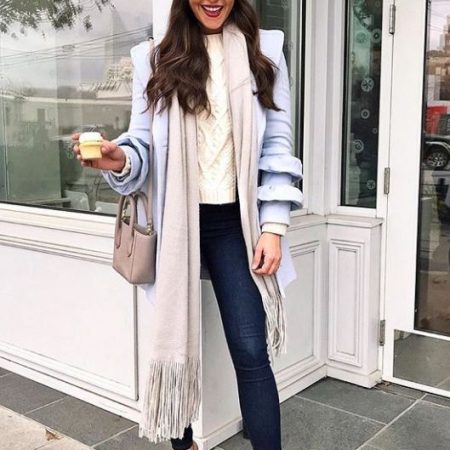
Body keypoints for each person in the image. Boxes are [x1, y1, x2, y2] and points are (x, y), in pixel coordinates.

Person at [72, 1, 303, 449]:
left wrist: (273, 225)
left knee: (251, 350)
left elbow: (277, 142)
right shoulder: (154, 59)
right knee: (173, 346)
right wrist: (118, 159)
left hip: (235, 224)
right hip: (178, 222)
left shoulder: (265, 51)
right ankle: (185, 445)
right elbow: (142, 145)